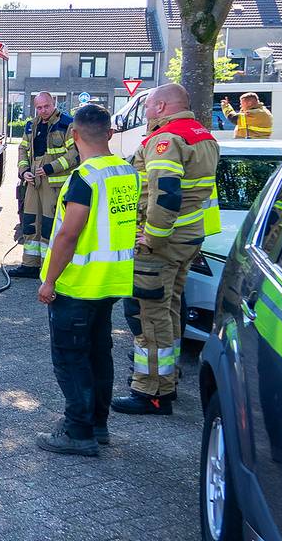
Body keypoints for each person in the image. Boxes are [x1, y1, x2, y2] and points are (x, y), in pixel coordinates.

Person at [36, 104, 140, 456]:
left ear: (75, 136)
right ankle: (98, 424)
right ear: (109, 134)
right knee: (99, 354)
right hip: (112, 281)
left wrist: (49, 281)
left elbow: (68, 235)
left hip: (78, 283)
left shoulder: (84, 177)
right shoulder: (127, 172)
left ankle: (78, 431)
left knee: (70, 357)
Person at [113, 84, 220, 415]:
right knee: (170, 309)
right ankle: (167, 379)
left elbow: (166, 193)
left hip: (163, 242)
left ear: (161, 106)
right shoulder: (202, 136)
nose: (144, 112)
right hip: (188, 237)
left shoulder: (167, 140)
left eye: (147, 106)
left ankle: (151, 392)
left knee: (152, 316)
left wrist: (153, 238)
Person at [11, 92, 79, 278]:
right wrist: (24, 171)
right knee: (30, 222)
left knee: (51, 225)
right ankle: (30, 265)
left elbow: (75, 154)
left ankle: (50, 266)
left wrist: (50, 168)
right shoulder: (31, 125)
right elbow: (23, 149)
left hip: (55, 184)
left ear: (53, 103)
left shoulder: (67, 124)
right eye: (39, 107)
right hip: (33, 182)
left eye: (46, 106)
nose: (43, 111)